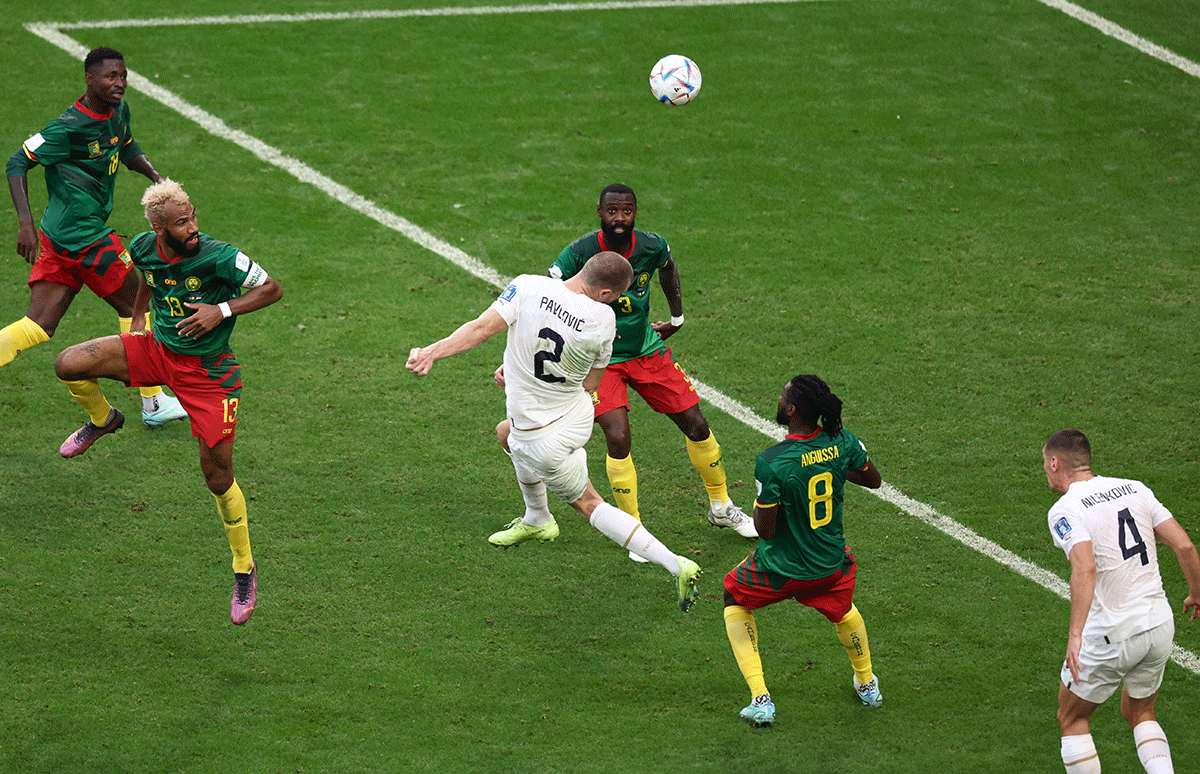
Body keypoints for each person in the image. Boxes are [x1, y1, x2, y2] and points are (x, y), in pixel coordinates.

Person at [406, 252, 703, 611]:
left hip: (542, 438)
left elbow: (481, 329)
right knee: (505, 434)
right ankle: (538, 518)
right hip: (576, 415)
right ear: (607, 293)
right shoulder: (605, 319)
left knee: (589, 502)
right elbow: (592, 382)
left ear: (584, 268)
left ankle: (676, 564)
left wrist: (432, 353)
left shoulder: (527, 286)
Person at [54, 180, 282, 625]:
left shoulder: (219, 255)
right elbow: (148, 275)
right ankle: (104, 420)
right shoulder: (144, 245)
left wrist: (223, 310)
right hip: (158, 351)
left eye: (193, 215)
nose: (193, 226)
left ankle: (244, 568)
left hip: (210, 377)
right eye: (182, 222)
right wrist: (140, 314)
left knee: (217, 477)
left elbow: (272, 288)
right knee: (69, 363)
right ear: (159, 227)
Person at [548, 184, 756, 547]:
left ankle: (721, 506)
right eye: (612, 211)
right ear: (599, 212)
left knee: (696, 424)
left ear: (635, 212)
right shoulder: (580, 251)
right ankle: (633, 530)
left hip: (645, 350)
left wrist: (677, 317)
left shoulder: (651, 245)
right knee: (617, 437)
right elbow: (549, 288)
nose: (619, 218)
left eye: (626, 211)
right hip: (602, 359)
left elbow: (668, 268)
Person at [3, 46, 186, 427]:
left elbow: (127, 145)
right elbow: (18, 161)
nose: (119, 83)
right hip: (84, 237)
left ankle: (147, 404)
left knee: (37, 325)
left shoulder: (118, 111)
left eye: (122, 75)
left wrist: (154, 176)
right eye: (110, 77)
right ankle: (153, 403)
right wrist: (23, 222)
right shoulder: (67, 127)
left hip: (60, 238)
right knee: (139, 302)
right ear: (90, 79)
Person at [722, 374, 883, 727]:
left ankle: (761, 699)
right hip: (830, 564)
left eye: (782, 396)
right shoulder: (842, 442)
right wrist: (836, 467)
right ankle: (867, 683)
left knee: (732, 596)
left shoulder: (773, 461)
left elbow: (763, 531)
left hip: (781, 569)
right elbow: (873, 479)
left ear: (791, 410)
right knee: (843, 611)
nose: (778, 398)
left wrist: (763, 500)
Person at [1042, 429, 1200, 774]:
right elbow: (1185, 546)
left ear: (1055, 462)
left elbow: (1086, 567)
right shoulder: (1135, 488)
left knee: (1072, 718)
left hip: (1112, 633)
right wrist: (1196, 593)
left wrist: (1075, 635)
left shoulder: (1065, 509)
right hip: (1159, 624)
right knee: (1140, 712)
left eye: (1045, 463)